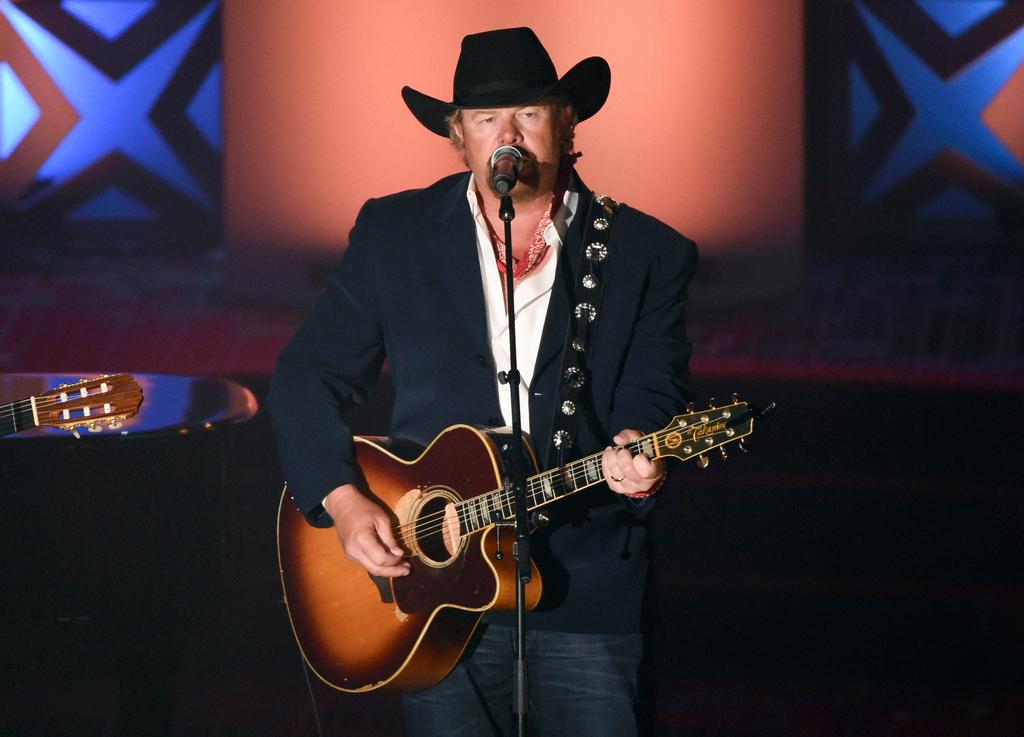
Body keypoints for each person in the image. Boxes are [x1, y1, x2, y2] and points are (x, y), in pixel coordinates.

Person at [267, 27, 697, 737]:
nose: (509, 134)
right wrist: (343, 502)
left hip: (585, 588)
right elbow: (307, 374)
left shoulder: (646, 251)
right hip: (435, 590)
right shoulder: (394, 233)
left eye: (529, 112)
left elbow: (655, 389)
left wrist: (642, 448)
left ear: (567, 121)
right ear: (457, 134)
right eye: (486, 118)